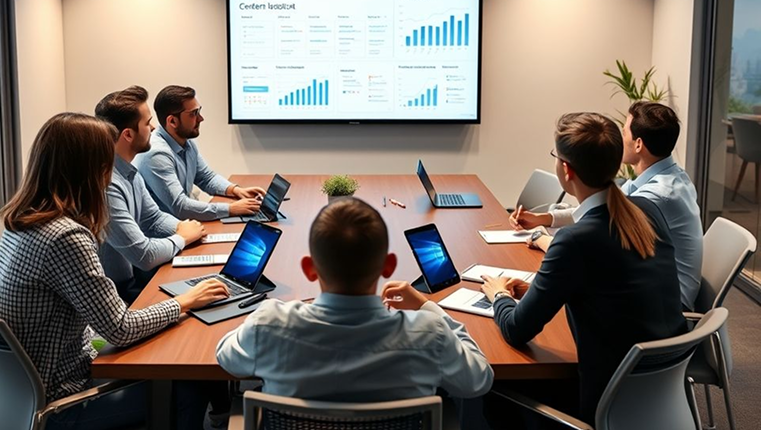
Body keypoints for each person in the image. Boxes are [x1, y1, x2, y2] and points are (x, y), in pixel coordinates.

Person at [0, 113, 229, 429]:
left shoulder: (22, 218)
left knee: (168, 351)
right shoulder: (65, 236)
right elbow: (121, 328)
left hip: (15, 391)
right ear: (89, 168)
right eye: (105, 161)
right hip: (61, 400)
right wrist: (186, 301)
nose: (110, 171)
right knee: (187, 384)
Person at [482, 112, 687, 425]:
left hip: (601, 399)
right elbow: (611, 282)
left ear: (566, 170)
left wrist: (498, 296)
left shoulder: (575, 240)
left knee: (484, 385)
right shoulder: (646, 210)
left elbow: (516, 329)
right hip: (659, 397)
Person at [216, 198, 493, 401]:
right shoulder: (430, 334)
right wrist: (428, 307)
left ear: (309, 269)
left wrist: (282, 311)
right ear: (389, 266)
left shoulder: (270, 324)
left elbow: (227, 357)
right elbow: (479, 381)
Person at [510, 102, 703, 310]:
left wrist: (542, 239)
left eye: (624, 131)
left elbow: (595, 240)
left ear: (638, 144)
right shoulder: (667, 177)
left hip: (666, 304)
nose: (619, 138)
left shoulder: (656, 197)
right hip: (654, 288)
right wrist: (544, 219)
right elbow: (601, 208)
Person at [95, 86, 206, 302]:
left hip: (131, 282)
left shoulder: (129, 172)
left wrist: (184, 228)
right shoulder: (107, 185)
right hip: (117, 295)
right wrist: (182, 237)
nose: (154, 128)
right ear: (128, 134)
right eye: (147, 123)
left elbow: (153, 218)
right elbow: (144, 256)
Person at [136, 85, 264, 221]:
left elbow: (206, 177)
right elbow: (180, 207)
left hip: (183, 226)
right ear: (172, 121)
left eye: (199, 112)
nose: (200, 118)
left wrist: (236, 190)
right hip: (164, 234)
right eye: (193, 114)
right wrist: (230, 209)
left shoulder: (186, 142)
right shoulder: (157, 154)